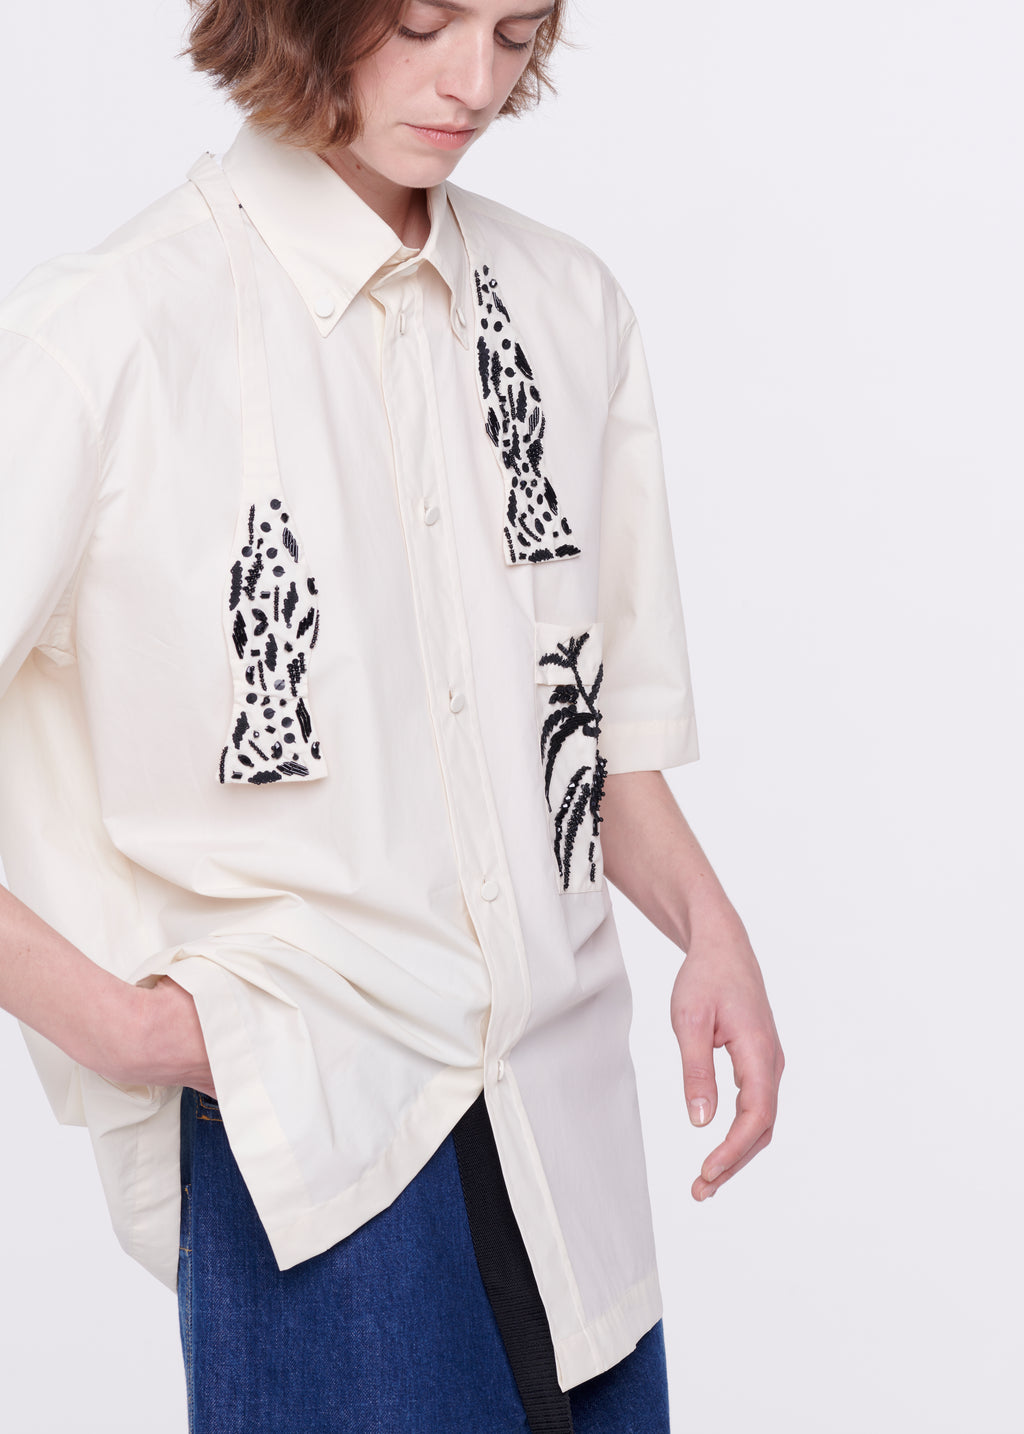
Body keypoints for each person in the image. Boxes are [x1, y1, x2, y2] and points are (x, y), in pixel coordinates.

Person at [0, 0, 785, 1429]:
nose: (473, 81)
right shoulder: (113, 334)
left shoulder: (569, 309)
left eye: (515, 31)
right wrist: (118, 1027)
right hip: (320, 1144)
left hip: (567, 1143)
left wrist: (710, 927)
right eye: (424, 23)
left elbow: (588, 728)